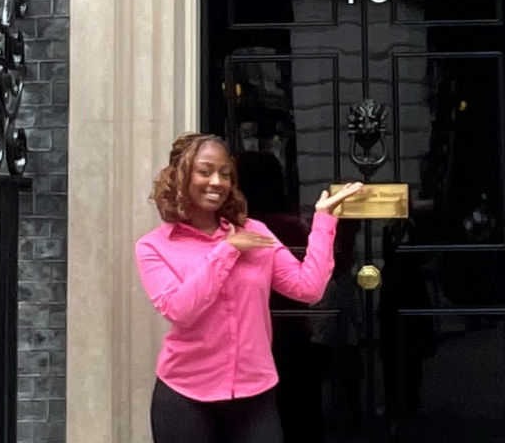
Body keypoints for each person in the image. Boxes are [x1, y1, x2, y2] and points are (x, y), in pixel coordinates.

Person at [135, 132, 363, 443]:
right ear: (180, 177)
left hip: (254, 395)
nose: (217, 181)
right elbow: (181, 311)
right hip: (185, 397)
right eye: (205, 171)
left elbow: (308, 288)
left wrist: (324, 219)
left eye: (225, 173)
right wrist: (227, 250)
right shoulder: (153, 247)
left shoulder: (255, 232)